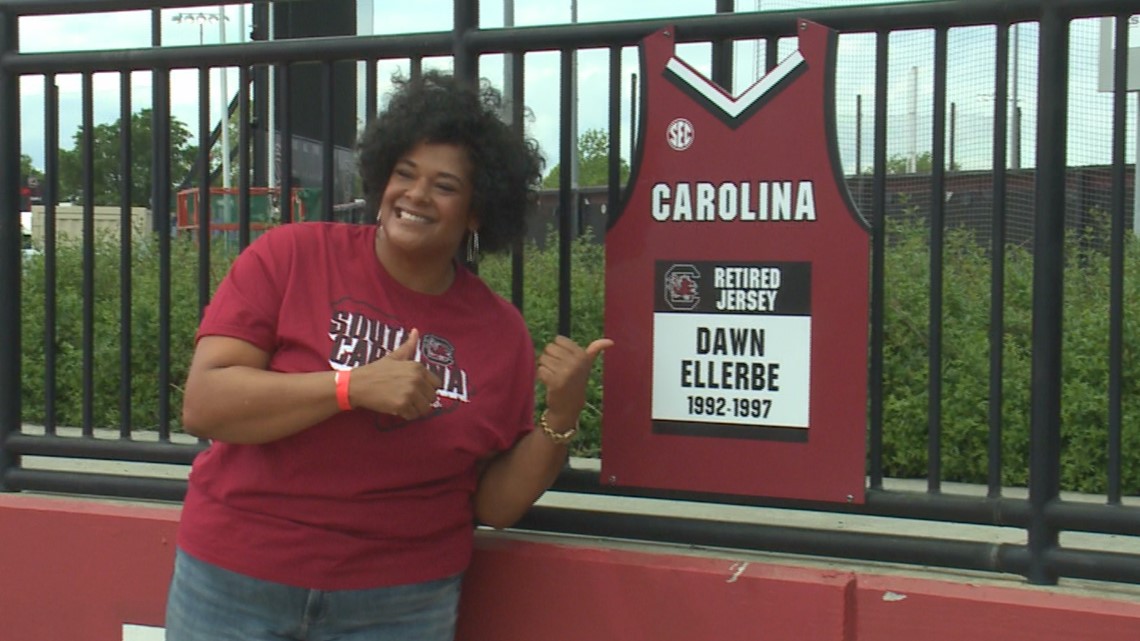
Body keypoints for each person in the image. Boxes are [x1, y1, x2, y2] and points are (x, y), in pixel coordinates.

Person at [165, 71, 612, 641]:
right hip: (235, 580)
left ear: (477, 212)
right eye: (404, 174)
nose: (417, 195)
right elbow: (205, 404)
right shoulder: (291, 255)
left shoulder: (500, 334)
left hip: (399, 602)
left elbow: (494, 505)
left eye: (445, 186)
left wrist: (562, 415)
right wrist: (348, 388)